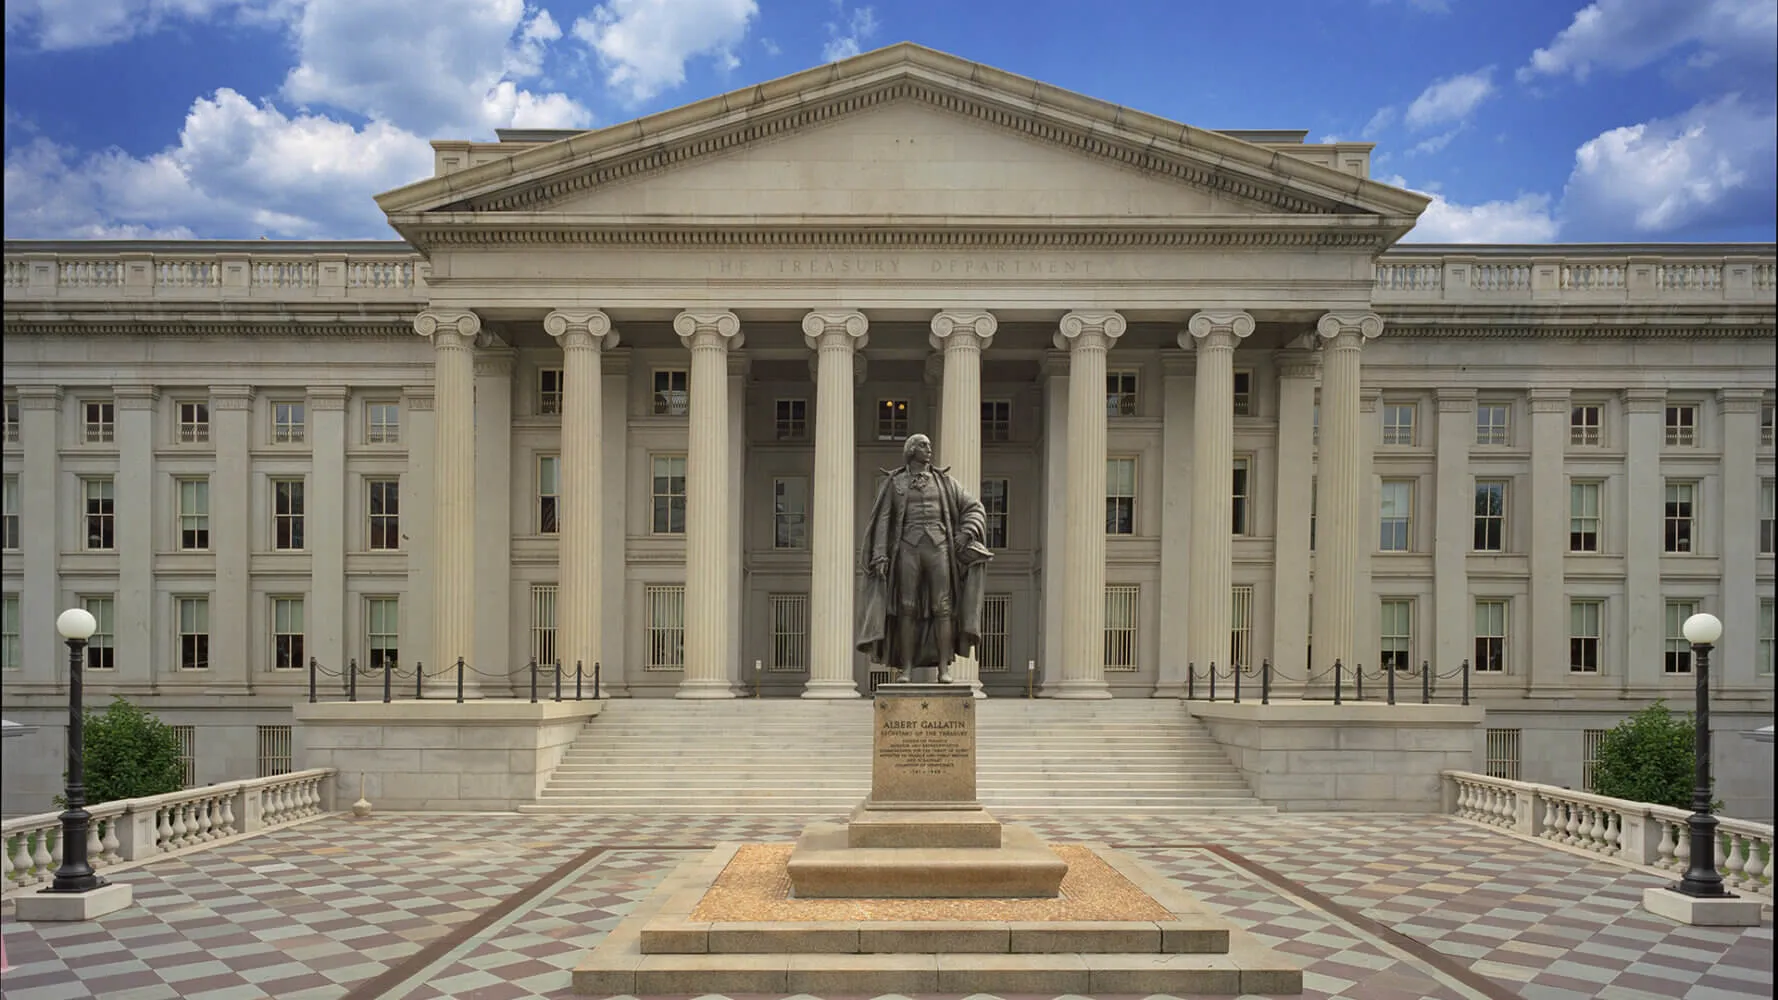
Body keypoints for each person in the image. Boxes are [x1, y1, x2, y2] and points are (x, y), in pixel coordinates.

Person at [855, 433, 992, 682]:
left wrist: (966, 533)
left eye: (930, 445)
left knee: (943, 607)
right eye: (923, 445)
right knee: (906, 607)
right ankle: (905, 669)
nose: (929, 449)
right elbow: (883, 520)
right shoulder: (894, 483)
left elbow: (974, 507)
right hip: (907, 548)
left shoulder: (946, 483)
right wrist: (879, 555)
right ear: (910, 450)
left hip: (940, 548)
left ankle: (943, 669)